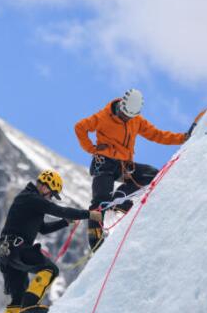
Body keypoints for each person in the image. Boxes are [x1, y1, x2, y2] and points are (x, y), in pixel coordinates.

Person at [0, 169, 103, 313]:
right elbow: (58, 210)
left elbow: (42, 228)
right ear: (45, 185)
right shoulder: (31, 198)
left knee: (16, 299)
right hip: (17, 248)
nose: (51, 197)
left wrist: (65, 222)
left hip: (6, 253)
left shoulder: (29, 201)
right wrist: (88, 215)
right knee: (50, 269)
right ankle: (30, 306)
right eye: (51, 193)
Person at [74, 88, 194, 251]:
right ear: (121, 105)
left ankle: (120, 201)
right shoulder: (104, 117)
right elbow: (80, 127)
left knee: (152, 174)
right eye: (124, 114)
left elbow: (157, 135)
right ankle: (95, 241)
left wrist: (183, 138)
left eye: (130, 116)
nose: (126, 118)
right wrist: (92, 149)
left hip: (123, 165)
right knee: (100, 202)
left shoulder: (136, 120)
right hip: (104, 163)